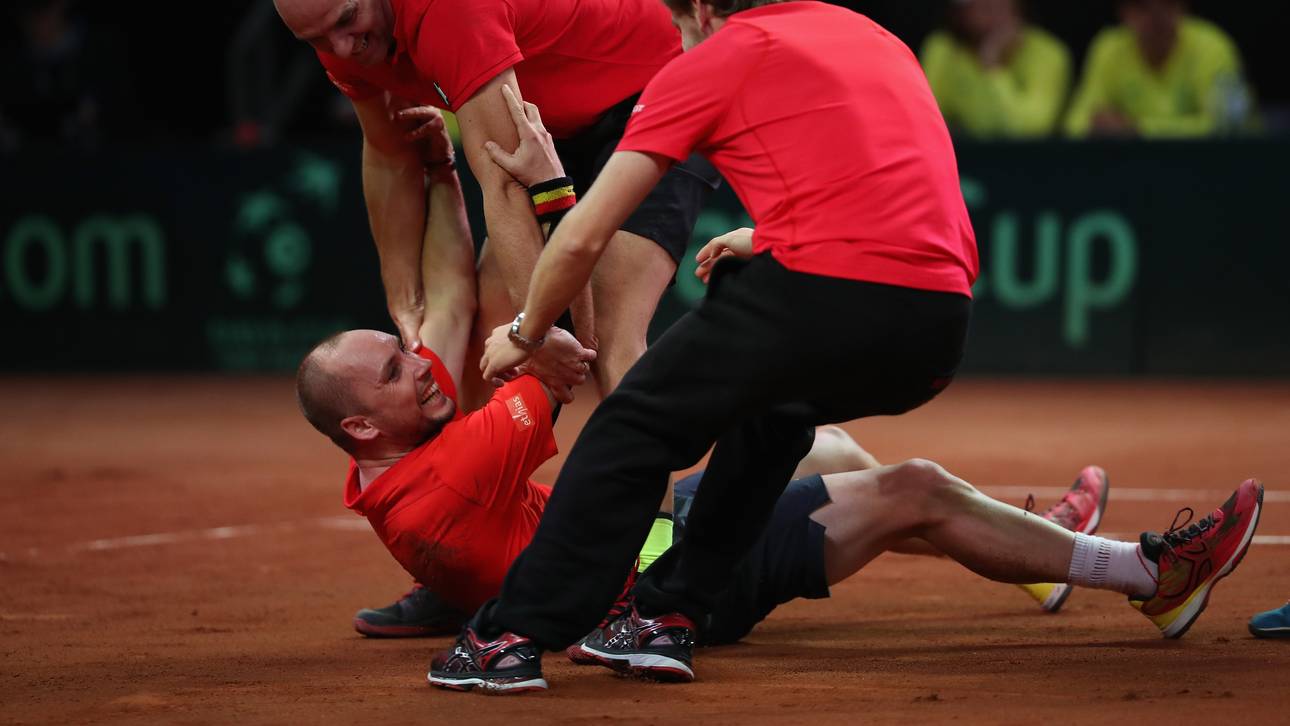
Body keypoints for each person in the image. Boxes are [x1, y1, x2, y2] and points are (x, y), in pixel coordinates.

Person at [427, 0, 1264, 693]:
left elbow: (584, 239)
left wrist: (524, 331)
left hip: (821, 297)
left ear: (704, 13)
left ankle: (509, 637)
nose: (678, 44)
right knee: (783, 413)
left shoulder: (717, 56)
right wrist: (766, 238)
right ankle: (666, 612)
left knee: (633, 423)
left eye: (679, 27)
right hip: (938, 320)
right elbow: (884, 181)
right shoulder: (873, 36)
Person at [271, 0, 720, 411]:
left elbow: (506, 180)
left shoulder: (448, 11)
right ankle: (472, 474)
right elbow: (389, 153)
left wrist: (533, 335)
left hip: (656, 87)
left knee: (609, 328)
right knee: (489, 336)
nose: (340, 48)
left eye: (348, 20)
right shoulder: (336, 33)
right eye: (316, 40)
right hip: (549, 128)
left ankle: (649, 479)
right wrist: (404, 299)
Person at [1064, 0, 1252, 138]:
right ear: (1124, 13)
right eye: (1143, 7)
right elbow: (1075, 123)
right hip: (1134, 165)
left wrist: (1138, 129)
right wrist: (1096, 125)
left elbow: (1227, 126)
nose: (1157, 17)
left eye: (1167, 4)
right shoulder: (1108, 48)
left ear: (1183, 7)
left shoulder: (1213, 46)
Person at [919, 0, 1072, 138]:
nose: (982, 7)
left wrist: (993, 67)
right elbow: (925, 120)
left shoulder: (1048, 53)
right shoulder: (942, 48)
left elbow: (1031, 128)